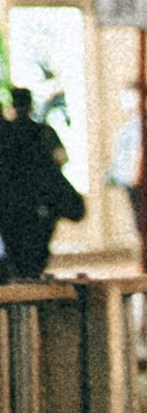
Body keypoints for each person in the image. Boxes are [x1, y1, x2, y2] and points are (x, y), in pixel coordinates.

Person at [0, 89, 82, 280]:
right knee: (32, 258)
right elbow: (60, 159)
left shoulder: (9, 134)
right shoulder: (41, 133)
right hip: (37, 206)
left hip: (13, 208)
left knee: (18, 258)